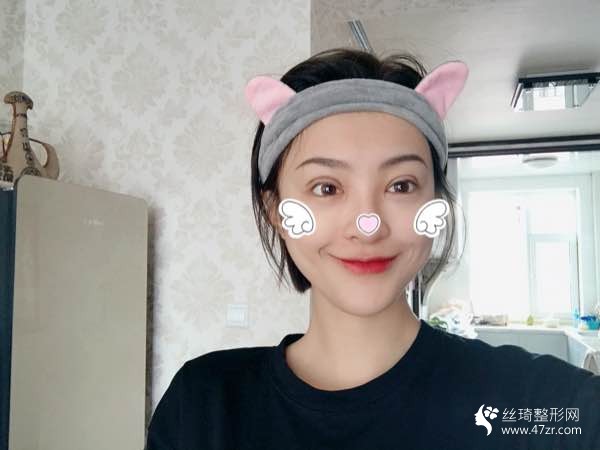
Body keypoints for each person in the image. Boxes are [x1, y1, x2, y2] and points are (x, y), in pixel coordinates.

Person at [145, 48, 600, 450]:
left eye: (401, 185)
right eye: (326, 188)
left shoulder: (537, 404)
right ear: (275, 212)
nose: (368, 226)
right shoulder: (202, 404)